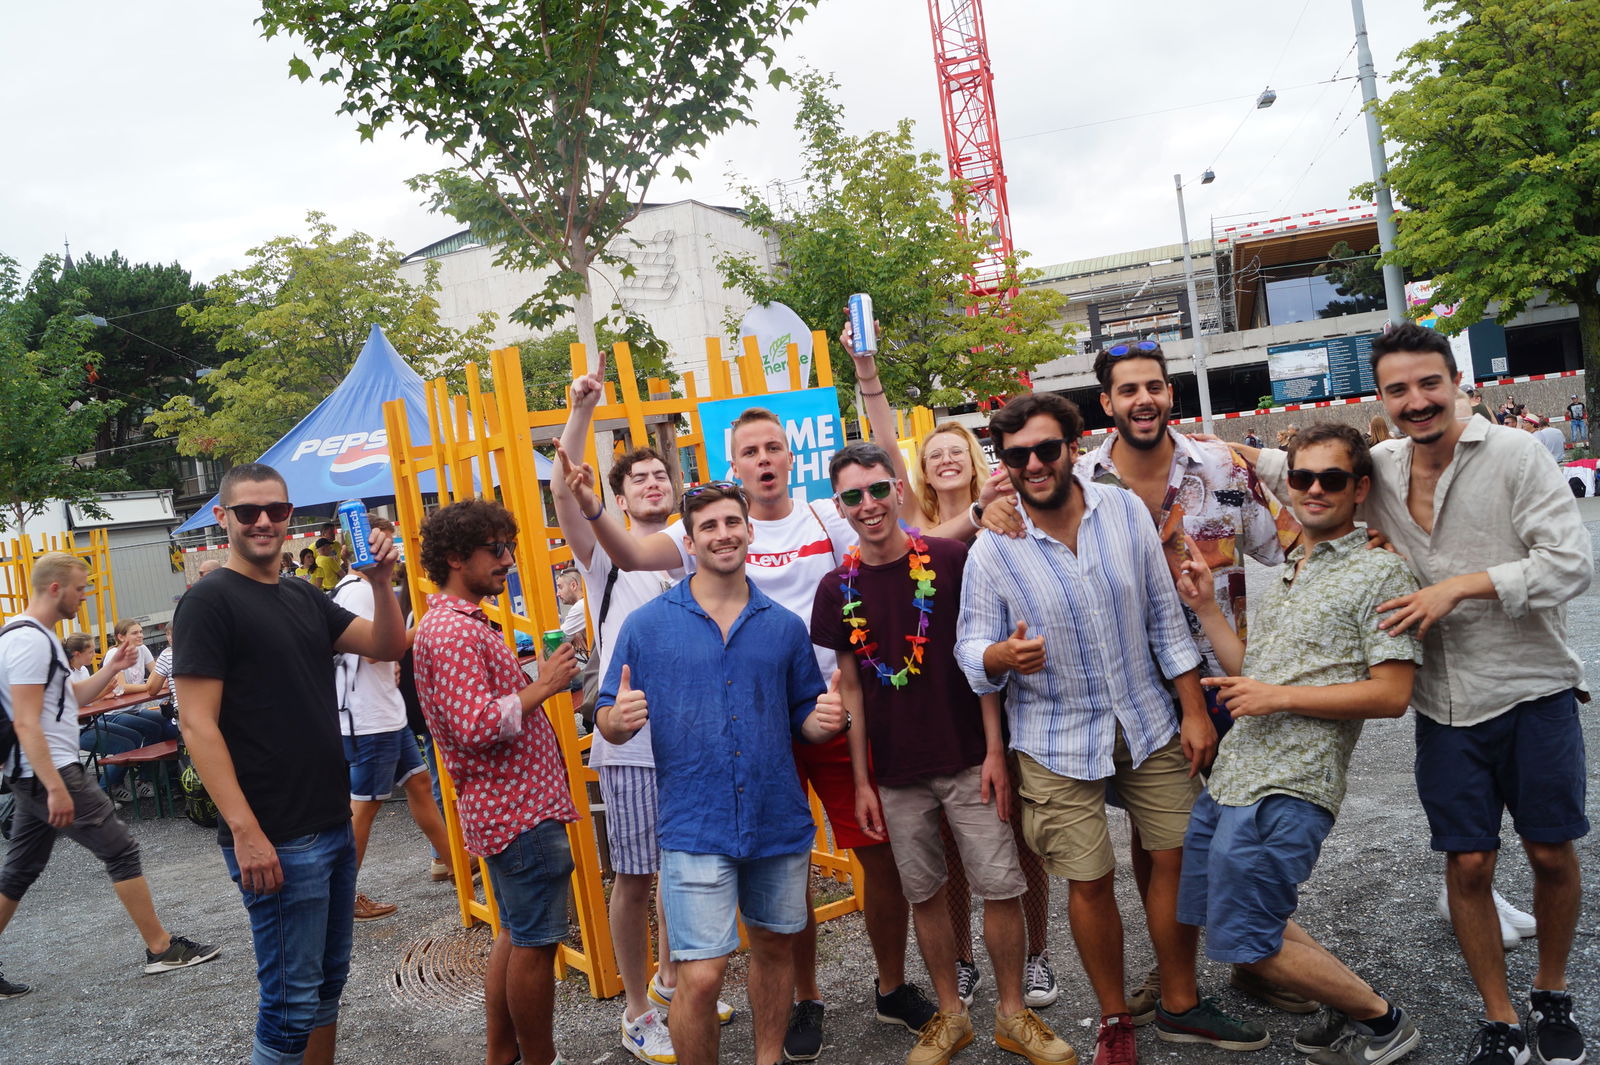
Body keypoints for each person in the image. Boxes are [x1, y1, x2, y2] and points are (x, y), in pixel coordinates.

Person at [568, 335, 955, 1061]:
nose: (766, 458)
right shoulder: (701, 537)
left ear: (790, 454)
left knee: (868, 853)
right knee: (779, 881)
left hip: (822, 708)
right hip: (736, 727)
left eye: (775, 446)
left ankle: (890, 982)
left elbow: (891, 489)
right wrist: (588, 500)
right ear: (733, 465)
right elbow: (621, 552)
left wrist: (868, 377)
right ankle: (805, 999)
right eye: (751, 451)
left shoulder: (825, 514)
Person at [1247, 321, 1591, 1065]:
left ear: (1456, 381)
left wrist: (1459, 588)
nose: (1417, 399)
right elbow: (1284, 466)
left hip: (1533, 687)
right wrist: (1199, 451)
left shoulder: (1517, 454)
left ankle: (1553, 988)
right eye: (1398, 388)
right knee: (1468, 863)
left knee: (1552, 853)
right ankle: (1498, 1017)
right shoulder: (1379, 466)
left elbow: (1571, 566)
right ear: (1383, 397)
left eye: (1429, 382)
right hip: (1444, 703)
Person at [984, 340, 1303, 1020]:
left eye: (1153, 386)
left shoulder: (1220, 464)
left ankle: (1252, 963)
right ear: (1105, 406)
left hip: (1220, 683)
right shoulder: (1048, 494)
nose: (1143, 399)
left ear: (1169, 392)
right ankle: (1154, 991)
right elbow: (970, 600)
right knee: (1141, 852)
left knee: (1234, 836)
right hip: (1113, 708)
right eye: (1127, 389)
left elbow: (1295, 544)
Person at [813, 443, 1075, 1065]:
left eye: (878, 490)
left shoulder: (954, 559)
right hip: (897, 771)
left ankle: (1013, 1014)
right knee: (924, 891)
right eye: (853, 496)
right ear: (840, 508)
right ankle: (950, 1015)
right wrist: (862, 782)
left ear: (898, 490)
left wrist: (993, 753)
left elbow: (978, 656)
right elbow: (850, 687)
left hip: (967, 758)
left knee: (1000, 884)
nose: (868, 505)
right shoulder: (836, 588)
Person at [1173, 423, 1425, 1065]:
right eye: (1302, 477)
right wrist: (1205, 610)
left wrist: (1276, 697)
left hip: (1290, 785)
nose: (1313, 490)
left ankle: (1383, 1022)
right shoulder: (1294, 563)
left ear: (1359, 488)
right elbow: (1252, 673)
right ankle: (1362, 1013)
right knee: (1241, 916)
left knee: (1249, 940)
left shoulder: (1382, 570)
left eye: (1331, 479)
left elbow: (1391, 694)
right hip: (1237, 776)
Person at [596, 481, 846, 1065]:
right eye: (708, 526)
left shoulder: (784, 626)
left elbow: (804, 717)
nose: (723, 534)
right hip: (694, 824)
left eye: (732, 522)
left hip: (776, 820)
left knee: (773, 950)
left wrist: (827, 718)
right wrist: (616, 720)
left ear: (749, 531)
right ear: (688, 540)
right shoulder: (649, 625)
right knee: (701, 975)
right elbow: (607, 712)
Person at [174, 464, 406, 1065]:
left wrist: (381, 582)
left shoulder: (303, 594)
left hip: (327, 821)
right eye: (247, 511)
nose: (263, 522)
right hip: (276, 834)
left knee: (326, 991)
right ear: (222, 518)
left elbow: (386, 646)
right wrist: (246, 832)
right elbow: (197, 724)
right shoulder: (208, 602)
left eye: (275, 510)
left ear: (289, 516)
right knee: (288, 1006)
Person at [550, 355, 705, 1064]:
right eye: (636, 478)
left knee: (687, 863)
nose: (652, 482)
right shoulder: (606, 556)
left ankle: (676, 982)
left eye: (660, 475)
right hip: (631, 738)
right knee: (637, 874)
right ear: (613, 496)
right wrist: (582, 409)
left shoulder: (697, 550)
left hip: (693, 733)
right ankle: (637, 1005)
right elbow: (565, 490)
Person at [0, 552, 220, 1000]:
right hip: (51, 770)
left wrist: (112, 669)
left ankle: (161, 947)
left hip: (38, 772)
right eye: (81, 589)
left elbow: (67, 699)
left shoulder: (33, 637)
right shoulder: (28, 642)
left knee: (20, 869)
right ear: (56, 588)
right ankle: (161, 948)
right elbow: (26, 722)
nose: (84, 597)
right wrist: (58, 786)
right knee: (121, 849)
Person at [412, 498, 581, 1065]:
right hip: (519, 812)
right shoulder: (454, 631)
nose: (508, 559)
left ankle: (502, 1055)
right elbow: (478, 724)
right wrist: (547, 683)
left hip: (507, 810)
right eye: (497, 549)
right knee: (534, 945)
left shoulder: (451, 623)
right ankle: (539, 1058)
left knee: (513, 936)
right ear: (458, 558)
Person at [330, 518, 452, 922]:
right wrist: (425, 626)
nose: (395, 551)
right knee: (363, 808)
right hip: (370, 718)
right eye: (389, 543)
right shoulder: (360, 593)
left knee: (418, 783)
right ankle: (341, 895)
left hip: (382, 712)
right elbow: (376, 650)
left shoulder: (357, 590)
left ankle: (455, 862)